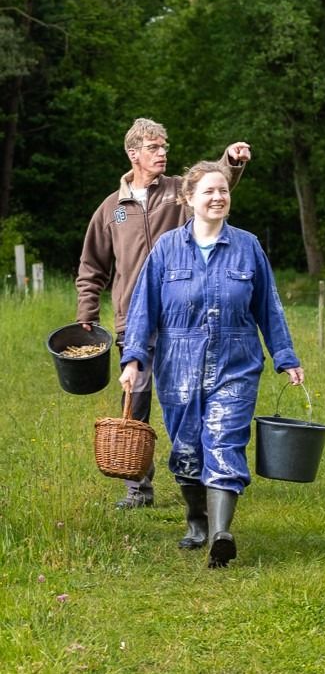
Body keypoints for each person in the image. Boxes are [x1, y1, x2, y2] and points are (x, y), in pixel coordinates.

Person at [118, 160, 304, 569]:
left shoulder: (247, 245)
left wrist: (285, 357)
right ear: (189, 199)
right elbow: (143, 309)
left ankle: (222, 533)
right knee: (186, 447)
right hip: (178, 362)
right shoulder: (166, 249)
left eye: (224, 191)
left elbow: (268, 307)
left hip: (236, 360)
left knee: (224, 439)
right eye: (209, 192)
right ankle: (197, 520)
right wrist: (134, 358)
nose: (219, 197)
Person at [76, 117, 251, 509]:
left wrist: (231, 160)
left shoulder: (177, 192)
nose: (162, 154)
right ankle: (138, 487)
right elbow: (92, 267)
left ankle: (205, 478)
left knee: (190, 400)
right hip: (131, 324)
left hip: (181, 321)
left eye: (164, 147)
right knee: (134, 403)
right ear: (133, 153)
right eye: (154, 148)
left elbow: (213, 183)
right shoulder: (112, 209)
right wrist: (87, 313)